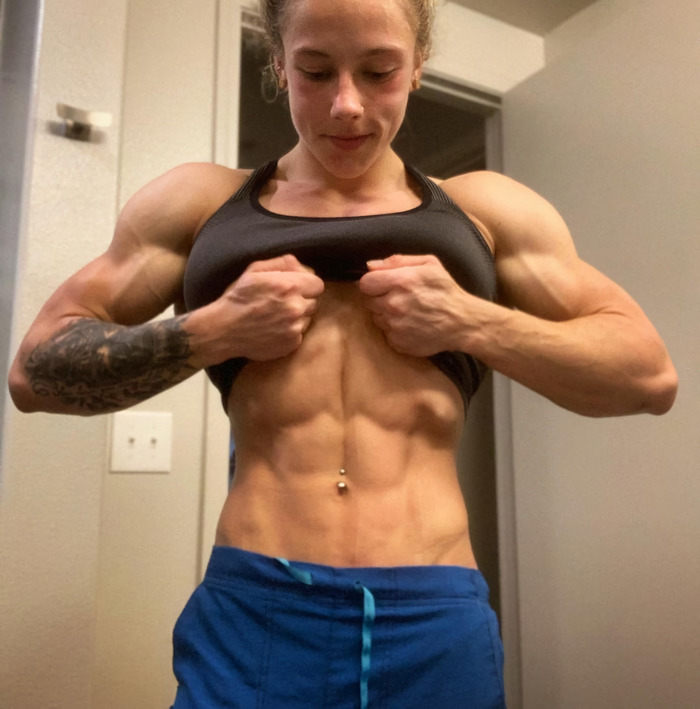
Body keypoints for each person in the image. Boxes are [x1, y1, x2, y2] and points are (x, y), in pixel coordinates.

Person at [8, 0, 678, 706]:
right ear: (279, 65)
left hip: (432, 616)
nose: (347, 105)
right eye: (316, 71)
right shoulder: (200, 203)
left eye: (379, 71)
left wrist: (469, 320)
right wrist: (216, 330)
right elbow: (33, 371)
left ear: (417, 67)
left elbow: (648, 374)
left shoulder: (486, 211)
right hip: (257, 610)